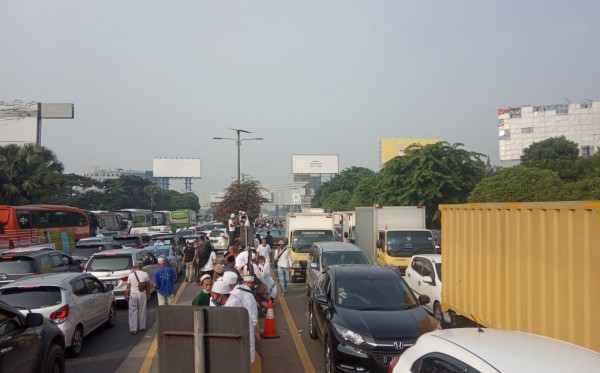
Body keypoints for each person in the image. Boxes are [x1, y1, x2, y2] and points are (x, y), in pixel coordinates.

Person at [223, 271, 258, 363]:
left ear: (229, 284)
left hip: (245, 329)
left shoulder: (237, 295)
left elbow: (252, 317)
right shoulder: (241, 290)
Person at [124, 260, 151, 335]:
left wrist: (125, 295)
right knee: (142, 310)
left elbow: (128, 287)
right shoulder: (145, 274)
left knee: (133, 312)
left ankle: (133, 329)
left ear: (135, 266)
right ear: (142, 266)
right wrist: (148, 294)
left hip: (133, 295)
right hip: (142, 294)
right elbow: (147, 286)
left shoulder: (131, 275)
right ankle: (142, 327)